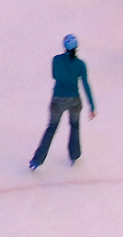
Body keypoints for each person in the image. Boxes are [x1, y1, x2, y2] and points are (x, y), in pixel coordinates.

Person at [28, 34, 95, 170]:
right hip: (75, 100)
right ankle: (74, 155)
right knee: (75, 125)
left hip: (58, 99)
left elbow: (55, 76)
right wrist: (92, 106)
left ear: (64, 46)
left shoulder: (56, 60)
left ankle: (37, 160)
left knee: (51, 128)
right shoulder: (80, 65)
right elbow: (85, 85)